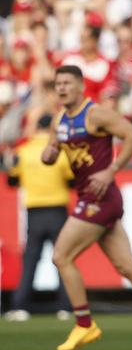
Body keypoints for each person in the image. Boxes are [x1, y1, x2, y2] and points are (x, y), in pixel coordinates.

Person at [43, 65, 132, 350]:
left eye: (67, 83)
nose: (62, 88)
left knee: (60, 255)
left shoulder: (96, 114)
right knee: (127, 266)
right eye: (58, 83)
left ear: (80, 86)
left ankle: (84, 322)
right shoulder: (59, 120)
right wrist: (49, 154)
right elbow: (52, 150)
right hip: (91, 197)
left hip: (100, 198)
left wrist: (111, 170)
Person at [4, 114, 73, 321]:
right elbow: (71, 180)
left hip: (33, 211)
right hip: (57, 210)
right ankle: (66, 306)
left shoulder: (23, 152)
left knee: (31, 259)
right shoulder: (59, 151)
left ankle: (21, 306)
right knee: (63, 259)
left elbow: (12, 180)